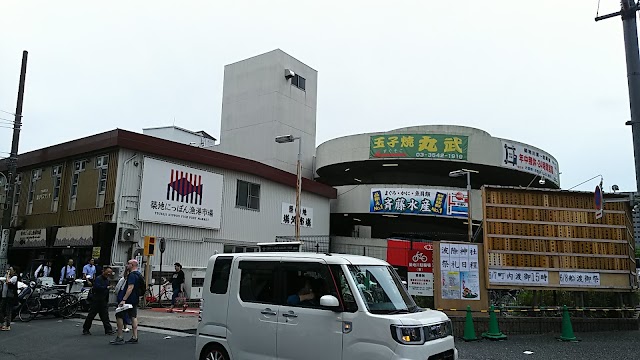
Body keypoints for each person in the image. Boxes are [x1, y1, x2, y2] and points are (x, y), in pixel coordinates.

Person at [110, 259, 141, 345]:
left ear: (132, 265)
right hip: (135, 299)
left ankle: (120, 337)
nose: (127, 265)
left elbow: (130, 287)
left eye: (128, 264)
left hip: (128, 300)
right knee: (133, 316)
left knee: (119, 315)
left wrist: (124, 299)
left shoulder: (131, 275)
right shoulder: (139, 275)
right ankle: (135, 337)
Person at [82, 266, 115, 335]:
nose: (109, 274)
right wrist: (106, 287)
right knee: (91, 315)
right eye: (108, 272)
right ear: (103, 271)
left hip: (103, 301)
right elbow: (96, 287)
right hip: (96, 300)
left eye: (110, 272)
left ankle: (108, 330)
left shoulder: (107, 280)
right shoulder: (98, 279)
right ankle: (86, 329)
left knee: (105, 316)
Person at [1, 266, 20, 331]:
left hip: (10, 296)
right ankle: (2, 323)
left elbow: (8, 282)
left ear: (14, 271)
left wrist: (8, 275)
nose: (9, 271)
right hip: (5, 295)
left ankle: (8, 325)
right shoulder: (8, 276)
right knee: (1, 309)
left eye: (11, 270)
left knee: (8, 311)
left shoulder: (15, 277)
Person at [114, 268, 132, 333]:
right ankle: (122, 326)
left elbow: (117, 289)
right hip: (122, 295)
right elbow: (117, 288)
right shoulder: (123, 280)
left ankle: (124, 326)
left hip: (124, 295)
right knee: (121, 311)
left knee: (124, 311)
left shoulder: (127, 280)